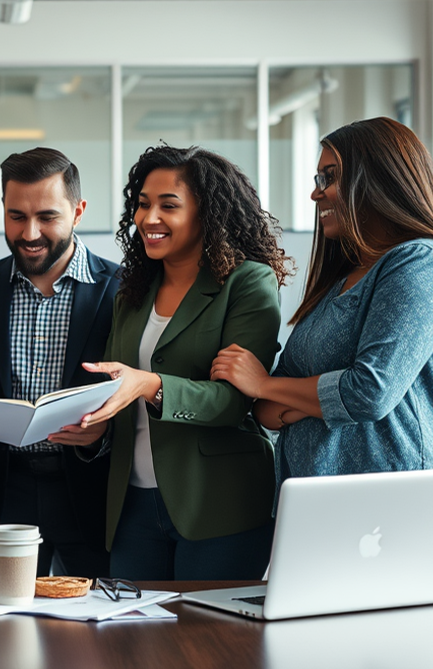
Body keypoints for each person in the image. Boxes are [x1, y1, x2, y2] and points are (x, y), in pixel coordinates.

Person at [211, 116, 433, 481]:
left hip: (394, 506)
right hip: (315, 499)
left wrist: (267, 385)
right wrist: (321, 397)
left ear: (379, 179)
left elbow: (370, 392)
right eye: (318, 179)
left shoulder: (422, 263)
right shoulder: (339, 281)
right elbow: (265, 411)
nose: (316, 192)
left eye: (329, 177)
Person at [78, 144, 288, 581]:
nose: (148, 218)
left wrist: (149, 384)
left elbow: (235, 402)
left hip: (217, 502)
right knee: (132, 642)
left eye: (168, 206)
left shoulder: (247, 282)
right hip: (131, 503)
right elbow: (121, 386)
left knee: (210, 642)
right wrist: (92, 424)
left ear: (207, 213)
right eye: (142, 204)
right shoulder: (132, 290)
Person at [0, 147, 117, 579]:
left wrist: (102, 434)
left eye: (47, 216)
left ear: (78, 211)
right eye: (16, 216)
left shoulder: (124, 291)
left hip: (89, 488)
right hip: (5, 487)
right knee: (9, 626)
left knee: (95, 631)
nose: (30, 232)